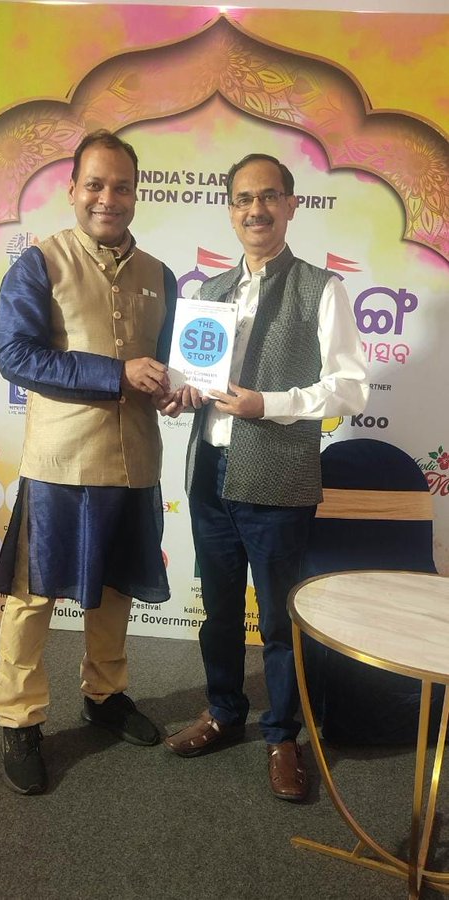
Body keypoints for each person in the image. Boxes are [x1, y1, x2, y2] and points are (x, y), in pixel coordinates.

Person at [160, 153, 368, 801]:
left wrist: (268, 404)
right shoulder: (210, 294)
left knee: (278, 620)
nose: (256, 210)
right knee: (219, 611)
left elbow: (350, 388)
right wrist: (181, 394)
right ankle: (224, 711)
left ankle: (282, 736)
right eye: (243, 199)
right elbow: (195, 378)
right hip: (209, 473)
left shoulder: (320, 288)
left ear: (291, 205)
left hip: (277, 477)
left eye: (269, 197)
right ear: (230, 210)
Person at [0, 129, 177, 795]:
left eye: (121, 186)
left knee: (117, 588)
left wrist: (174, 387)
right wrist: (116, 373)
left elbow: (166, 361)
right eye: (95, 184)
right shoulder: (39, 263)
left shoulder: (160, 274)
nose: (108, 198)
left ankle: (105, 695)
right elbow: (16, 356)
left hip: (135, 462)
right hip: (60, 464)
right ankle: (18, 717)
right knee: (32, 595)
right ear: (72, 190)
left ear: (136, 193)